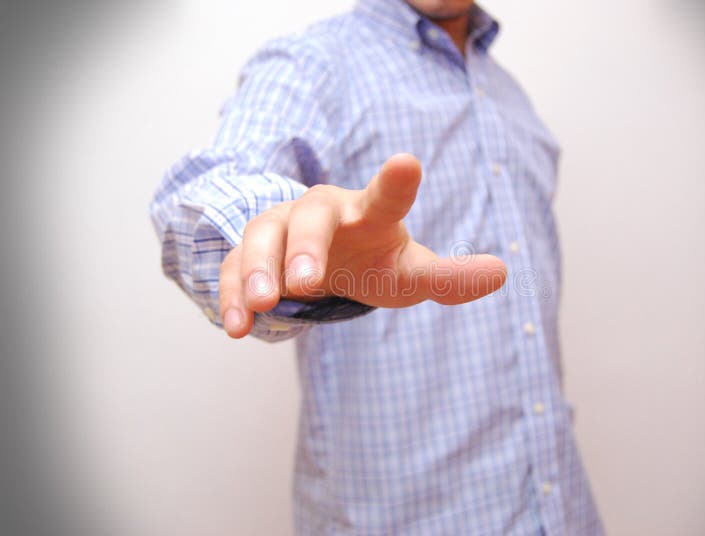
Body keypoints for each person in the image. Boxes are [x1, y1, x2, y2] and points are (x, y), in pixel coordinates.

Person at [150, 0, 603, 533]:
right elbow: (215, 187)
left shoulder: (512, 98)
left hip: (558, 508)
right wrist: (274, 242)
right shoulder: (313, 65)